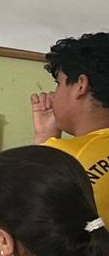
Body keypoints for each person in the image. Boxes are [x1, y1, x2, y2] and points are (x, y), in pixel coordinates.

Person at [32, 32, 109, 221]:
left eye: (58, 84)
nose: (53, 95)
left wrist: (43, 138)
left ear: (80, 86)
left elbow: (22, 214)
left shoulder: (66, 159)